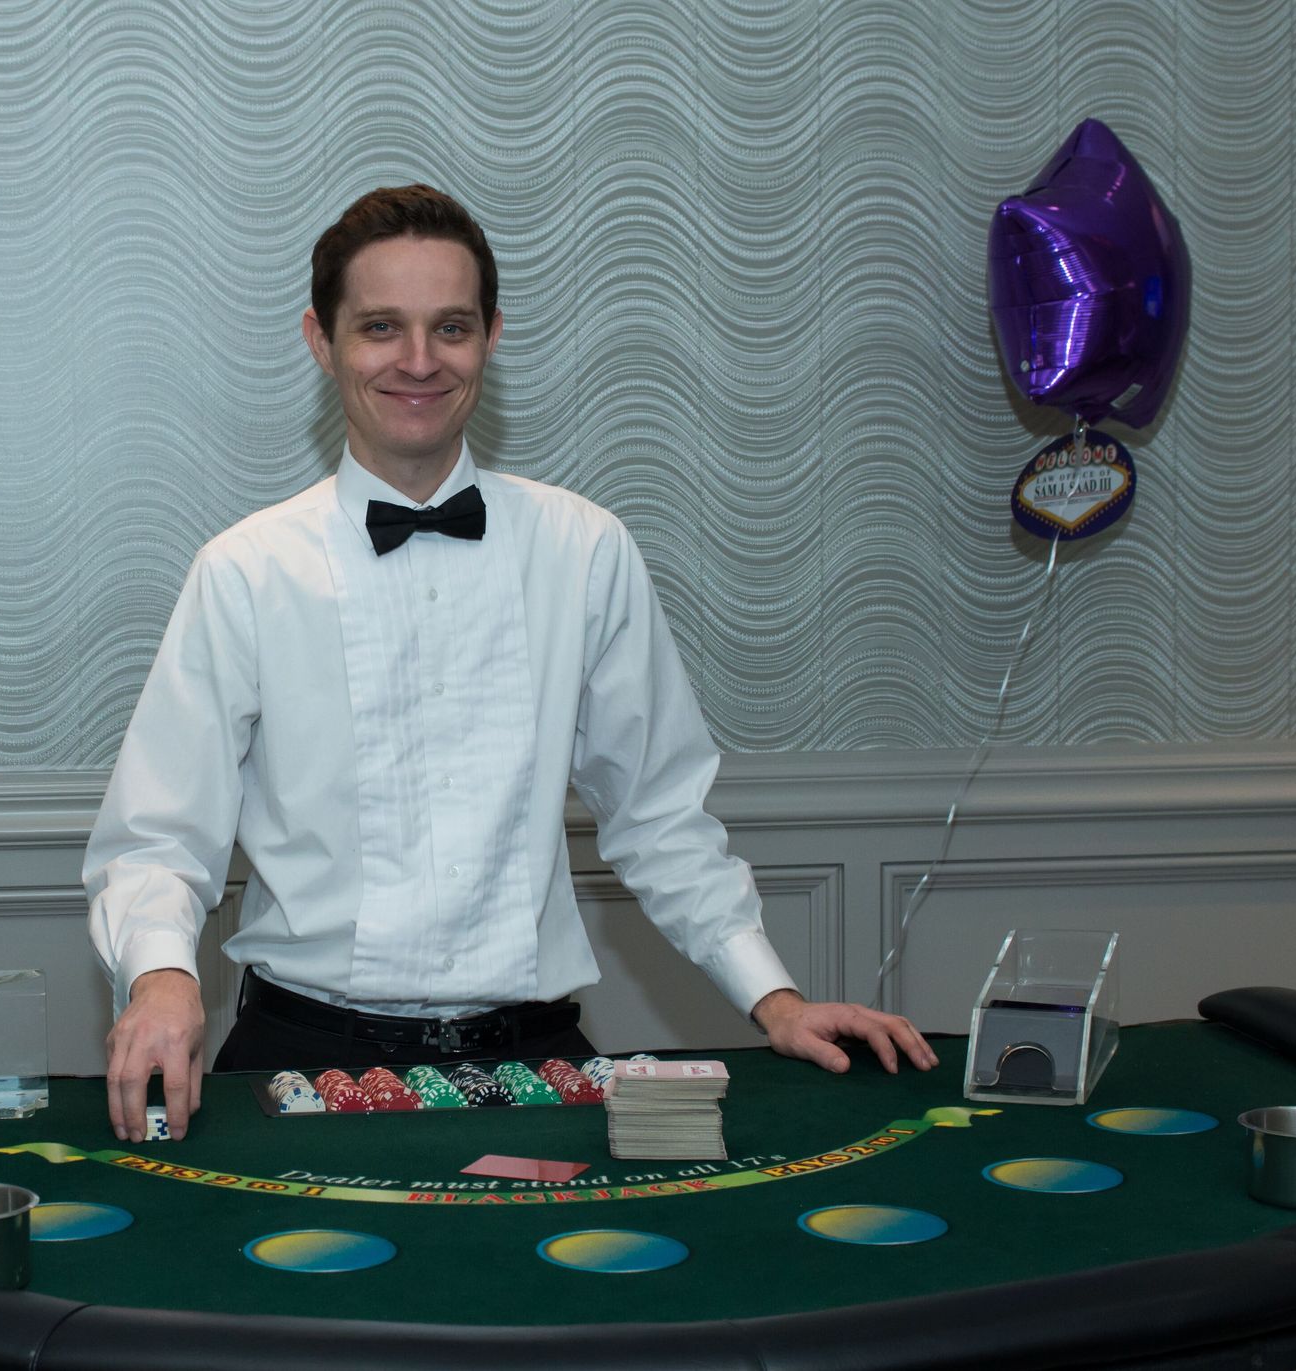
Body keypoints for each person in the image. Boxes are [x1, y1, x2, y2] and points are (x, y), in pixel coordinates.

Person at [84, 184, 935, 1142]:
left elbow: (658, 816)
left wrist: (774, 999)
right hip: (297, 1063)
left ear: (491, 336)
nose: (417, 360)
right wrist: (161, 981)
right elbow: (159, 839)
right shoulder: (242, 571)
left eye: (449, 326)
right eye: (379, 328)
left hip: (541, 1069)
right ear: (321, 342)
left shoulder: (588, 549)